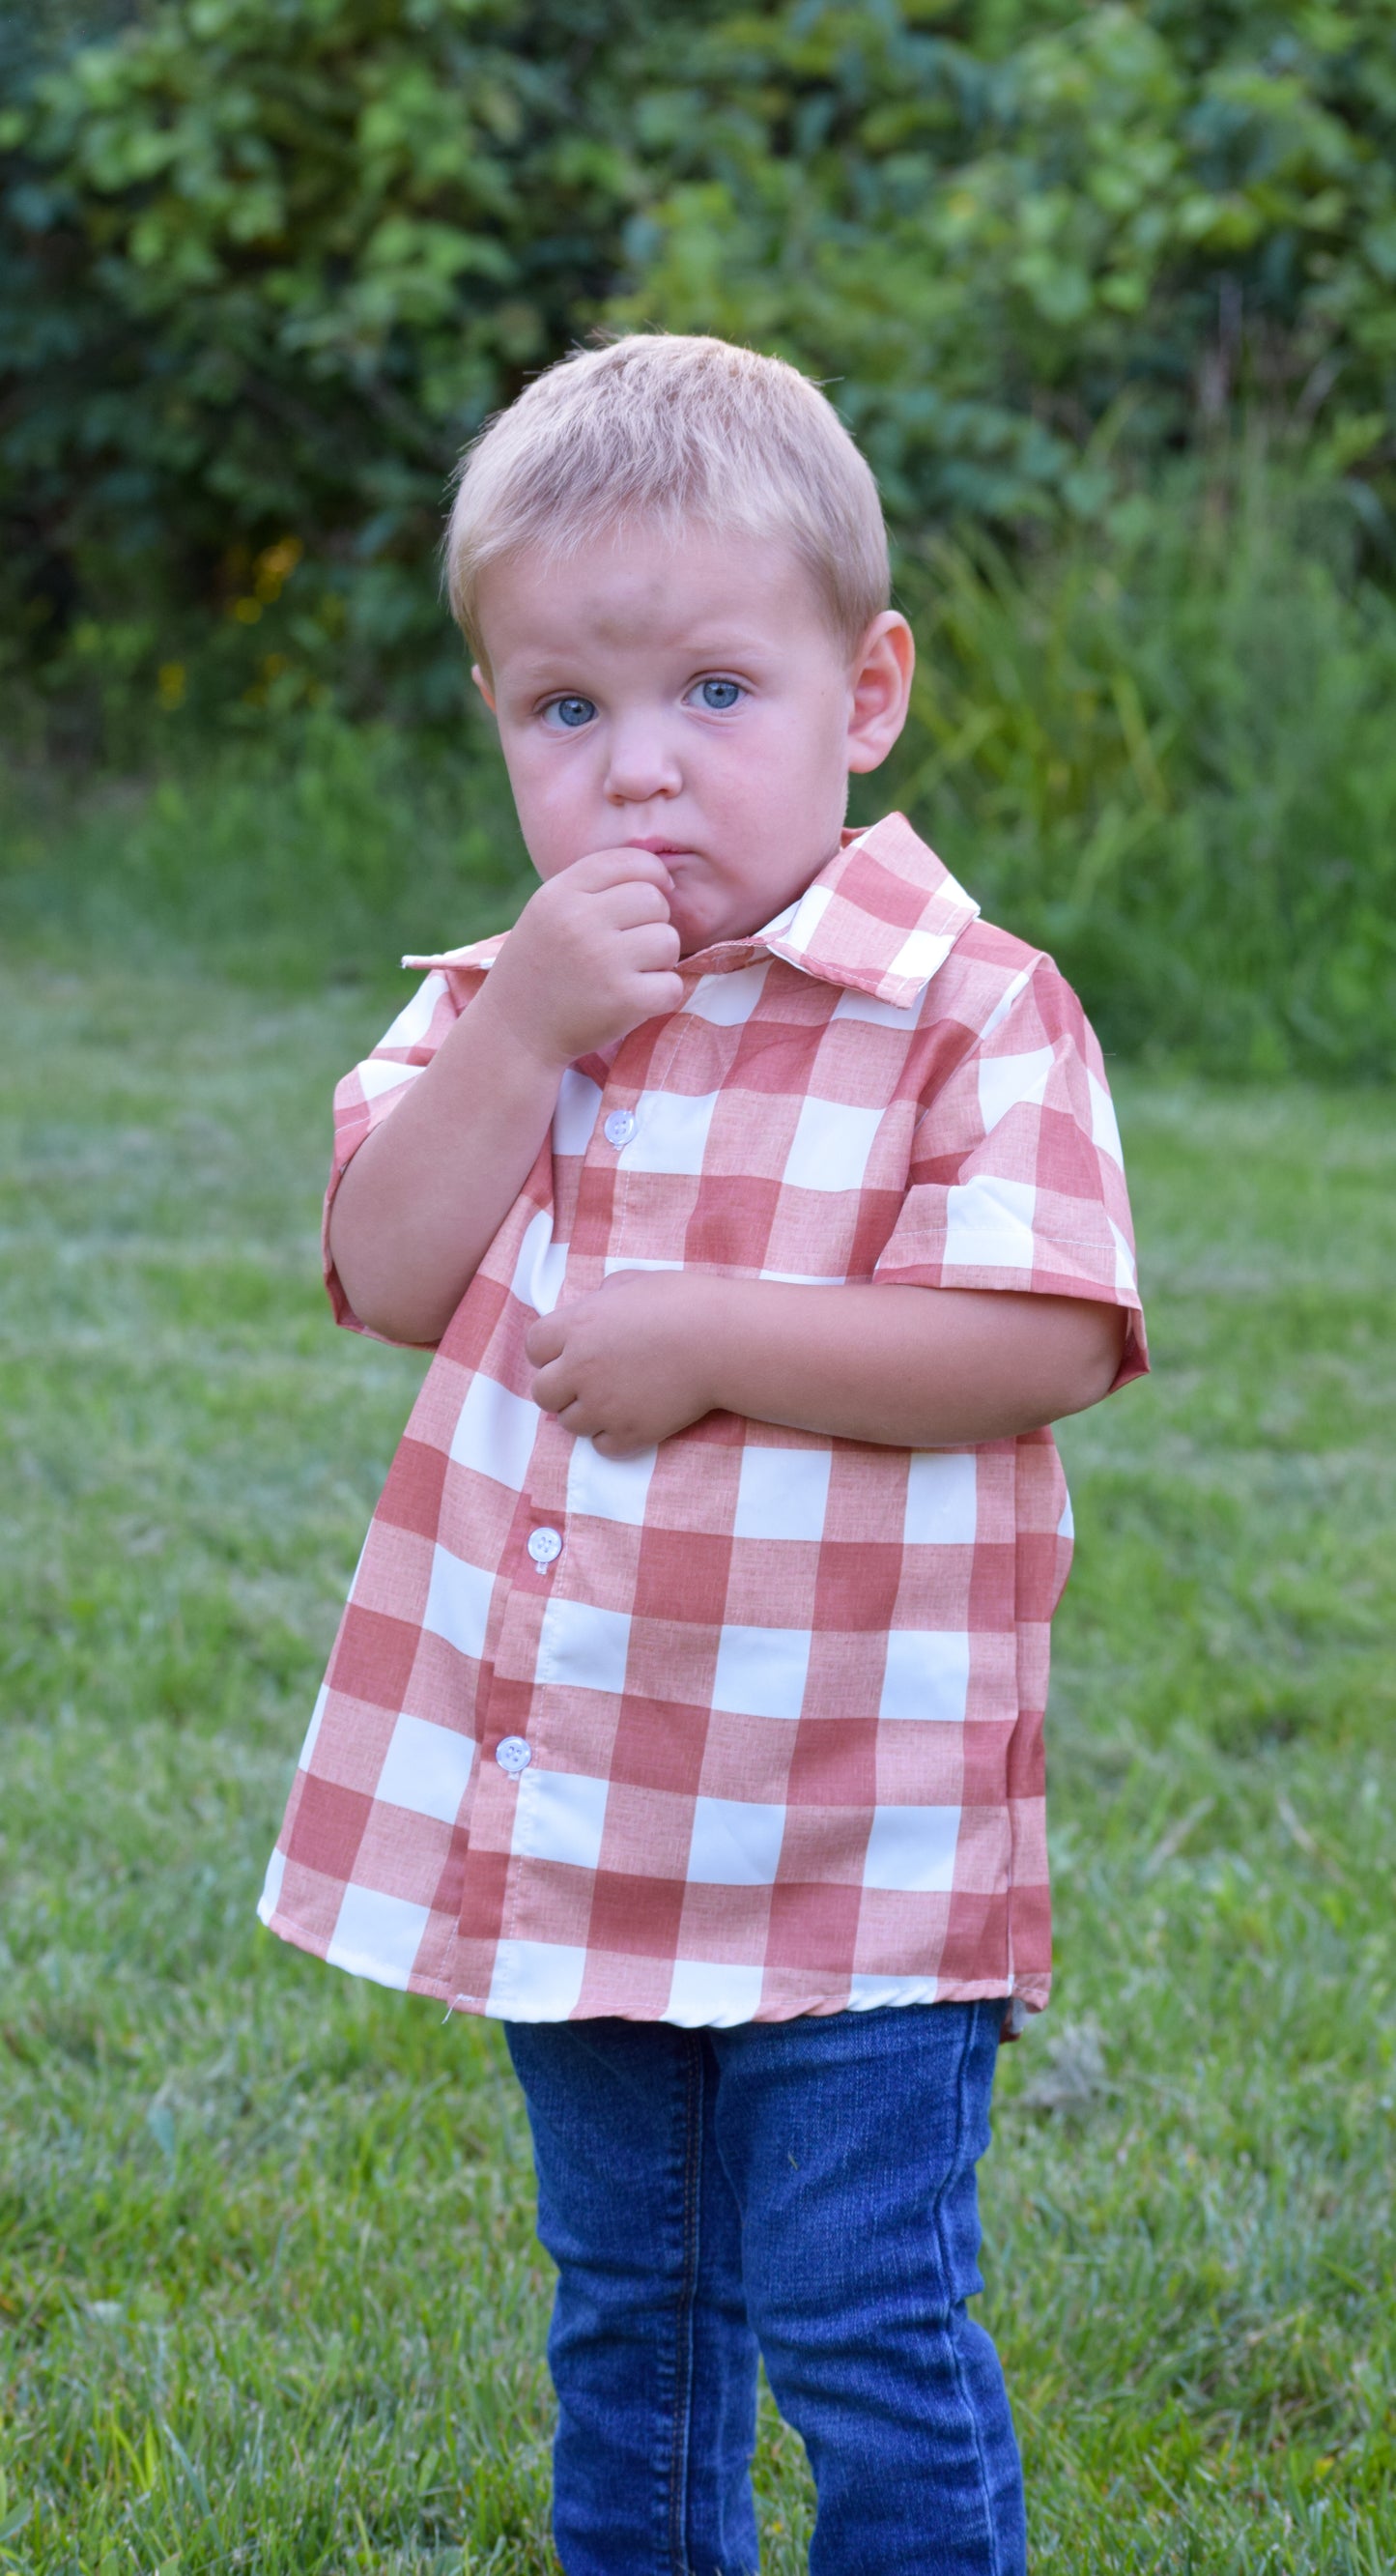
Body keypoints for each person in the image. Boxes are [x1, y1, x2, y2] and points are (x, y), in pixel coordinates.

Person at [258, 332, 1148, 2575]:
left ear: (867, 691)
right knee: (634, 2313)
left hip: (858, 1833)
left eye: (715, 696)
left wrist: (702, 1340)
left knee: (859, 2316)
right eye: (567, 710)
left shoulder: (970, 1007)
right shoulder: (494, 1005)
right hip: (585, 1814)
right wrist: (538, 1024)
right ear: (498, 724)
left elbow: (1043, 1337)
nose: (638, 773)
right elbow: (380, 1263)